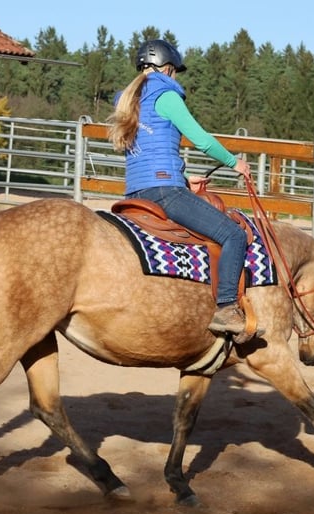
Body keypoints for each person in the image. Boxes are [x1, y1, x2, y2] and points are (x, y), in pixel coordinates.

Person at [107, 38, 260, 340]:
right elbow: (201, 139)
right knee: (233, 234)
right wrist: (235, 163)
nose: (175, 77)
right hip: (164, 192)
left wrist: (185, 176)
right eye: (175, 71)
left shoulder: (128, 99)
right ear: (167, 68)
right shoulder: (167, 95)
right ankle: (226, 308)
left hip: (135, 192)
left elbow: (148, 149)